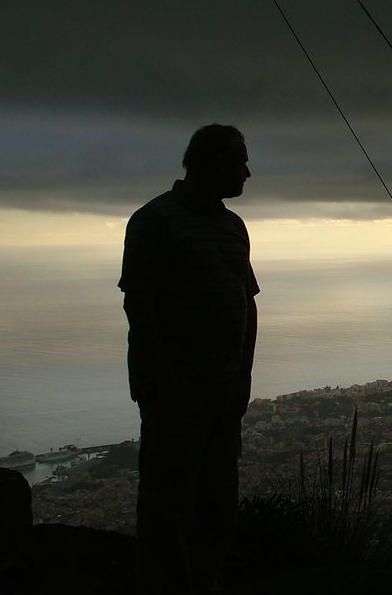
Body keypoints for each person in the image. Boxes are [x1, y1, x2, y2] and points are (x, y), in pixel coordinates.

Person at [118, 124, 258, 594]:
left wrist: (244, 375)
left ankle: (204, 583)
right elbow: (139, 304)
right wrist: (167, 381)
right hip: (176, 390)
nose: (247, 172)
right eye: (239, 162)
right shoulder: (156, 220)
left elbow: (247, 299)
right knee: (168, 503)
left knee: (218, 501)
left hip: (222, 388)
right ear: (214, 163)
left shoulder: (233, 226)